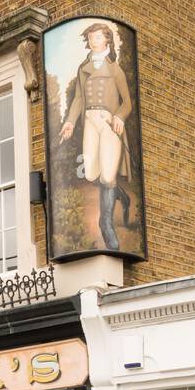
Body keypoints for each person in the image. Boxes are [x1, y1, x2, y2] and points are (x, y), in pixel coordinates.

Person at [58, 22, 133, 251]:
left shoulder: (115, 69)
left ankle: (106, 222)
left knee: (107, 175)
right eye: (91, 38)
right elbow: (79, 99)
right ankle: (120, 194)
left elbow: (127, 102)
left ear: (107, 40)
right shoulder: (84, 68)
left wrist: (119, 117)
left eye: (98, 37)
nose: (94, 41)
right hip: (90, 121)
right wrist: (70, 122)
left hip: (109, 123)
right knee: (91, 172)